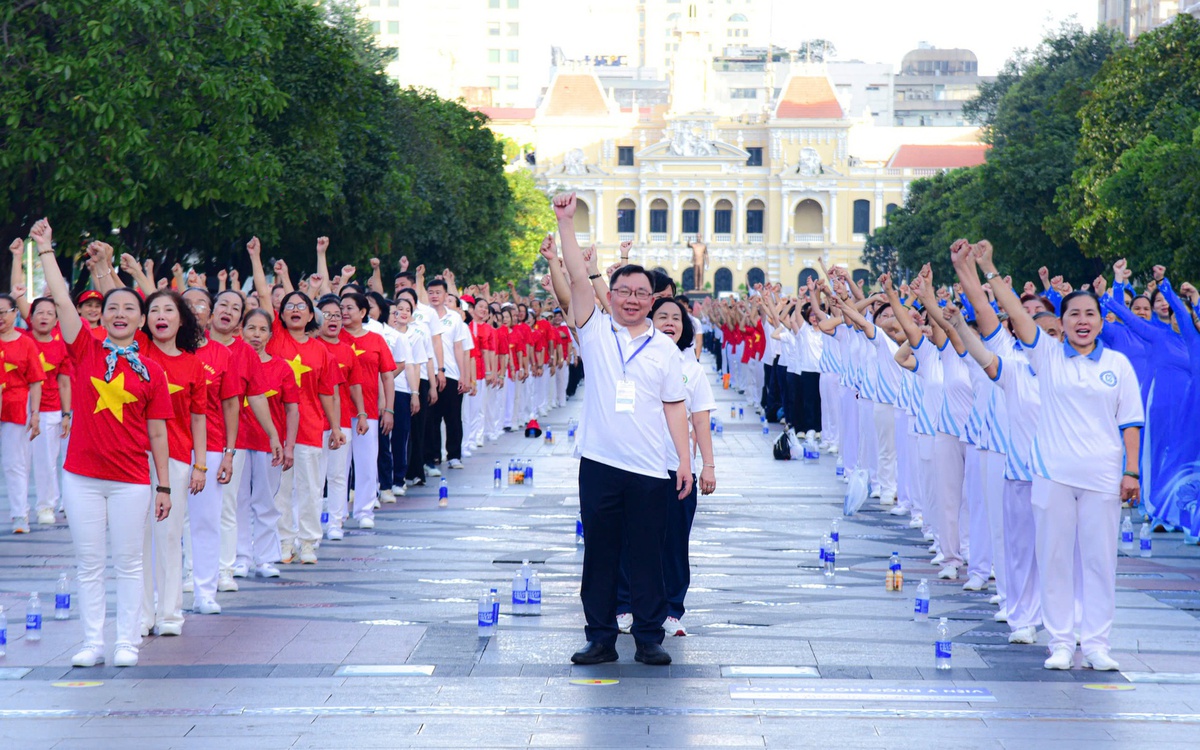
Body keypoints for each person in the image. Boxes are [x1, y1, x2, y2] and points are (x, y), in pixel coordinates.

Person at [982, 242, 1143, 671]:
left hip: (1102, 478)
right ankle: (1059, 642)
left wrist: (1131, 472)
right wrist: (988, 267)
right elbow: (1016, 313)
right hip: (1053, 475)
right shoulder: (1047, 356)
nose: (1082, 321)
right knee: (1053, 557)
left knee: (1098, 561)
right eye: (1074, 314)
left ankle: (1096, 643)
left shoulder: (1118, 366)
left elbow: (1130, 424)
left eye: (1090, 314)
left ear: (1101, 320)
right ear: (1062, 321)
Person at [554, 195, 693, 668]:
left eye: (641, 293)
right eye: (624, 291)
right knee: (600, 554)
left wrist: (686, 463)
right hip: (600, 463)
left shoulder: (665, 351)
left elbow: (676, 409)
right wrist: (566, 224)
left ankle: (649, 636)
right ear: (609, 294)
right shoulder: (593, 329)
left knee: (648, 555)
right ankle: (600, 637)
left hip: (652, 468)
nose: (632, 299)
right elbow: (575, 276)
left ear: (652, 300)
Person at [31, 219, 173, 668]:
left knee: (129, 563)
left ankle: (126, 641)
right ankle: (93, 642)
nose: (120, 314)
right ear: (104, 314)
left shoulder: (153, 372)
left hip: (131, 480)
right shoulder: (85, 348)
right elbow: (59, 299)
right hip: (81, 477)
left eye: (130, 309)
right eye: (113, 308)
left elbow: (158, 434)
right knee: (90, 563)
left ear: (142, 318)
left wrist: (164, 487)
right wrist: (46, 250)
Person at [616, 297, 716, 638]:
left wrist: (708, 466)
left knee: (675, 544)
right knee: (631, 540)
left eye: (676, 317)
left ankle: (672, 610)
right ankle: (626, 606)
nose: (670, 322)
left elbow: (700, 420)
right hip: (638, 467)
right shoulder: (631, 363)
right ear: (649, 321)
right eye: (663, 316)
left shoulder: (693, 370)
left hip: (678, 469)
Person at [247, 238, 343, 565]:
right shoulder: (276, 336)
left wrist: (335, 428)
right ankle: (284, 543)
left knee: (311, 489)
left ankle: (309, 542)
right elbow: (262, 294)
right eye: (289, 307)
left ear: (311, 314)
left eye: (302, 307)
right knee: (280, 491)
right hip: (276, 429)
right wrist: (256, 257)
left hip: (311, 428)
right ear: (281, 315)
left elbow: (328, 393)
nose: (295, 311)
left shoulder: (322, 351)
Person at [138, 290, 207, 637]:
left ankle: (169, 614)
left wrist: (201, 464)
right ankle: (142, 614)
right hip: (134, 458)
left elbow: (198, 418)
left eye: (169, 309)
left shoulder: (193, 363)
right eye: (154, 310)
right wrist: (105, 266)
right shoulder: (136, 351)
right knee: (138, 536)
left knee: (168, 536)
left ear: (182, 319)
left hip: (178, 458)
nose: (160, 315)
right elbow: (116, 303)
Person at [234, 308, 297, 579]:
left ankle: (266, 558)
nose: (256, 335)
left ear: (270, 335)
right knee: (237, 502)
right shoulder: (232, 361)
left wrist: (289, 445)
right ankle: (239, 558)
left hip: (267, 444)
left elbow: (292, 409)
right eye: (251, 328)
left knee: (265, 502)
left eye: (262, 330)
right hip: (235, 441)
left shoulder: (281, 367)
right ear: (241, 331)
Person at [339, 292, 395, 528]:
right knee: (339, 466)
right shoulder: (333, 338)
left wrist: (389, 409)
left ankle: (364, 512)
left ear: (363, 313)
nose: (344, 312)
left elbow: (387, 376)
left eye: (350, 308)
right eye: (342, 307)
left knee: (366, 463)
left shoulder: (376, 340)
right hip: (338, 411)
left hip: (368, 411)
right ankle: (338, 513)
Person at [315, 294, 368, 539]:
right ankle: (312, 525)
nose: (333, 319)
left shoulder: (347, 351)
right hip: (313, 423)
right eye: (327, 315)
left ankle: (335, 523)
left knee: (337, 476)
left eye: (337, 315)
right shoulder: (312, 347)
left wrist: (362, 414)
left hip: (342, 421)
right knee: (315, 479)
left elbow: (356, 385)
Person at [22, 297, 73, 524]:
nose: (43, 317)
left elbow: (64, 383)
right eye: (39, 312)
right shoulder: (21, 340)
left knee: (47, 461)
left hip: (50, 410)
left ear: (56, 320)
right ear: (30, 318)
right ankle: (19, 509)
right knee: (19, 463)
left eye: (49, 313)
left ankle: (46, 507)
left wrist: (66, 414)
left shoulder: (60, 346)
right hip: (19, 410)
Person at [0, 292, 45, 532]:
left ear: (14, 314)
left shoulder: (26, 342)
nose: (0, 318)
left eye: (3, 313)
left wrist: (35, 413)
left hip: (16, 406)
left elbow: (36, 381)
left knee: (14, 462)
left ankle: (20, 515)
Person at [387, 296, 423, 497]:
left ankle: (398, 478)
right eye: (395, 311)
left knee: (400, 436)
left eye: (402, 310)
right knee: (382, 439)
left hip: (400, 390)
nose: (398, 315)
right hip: (380, 391)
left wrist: (414, 393)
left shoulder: (409, 337)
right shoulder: (380, 334)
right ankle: (382, 479)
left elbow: (410, 366)